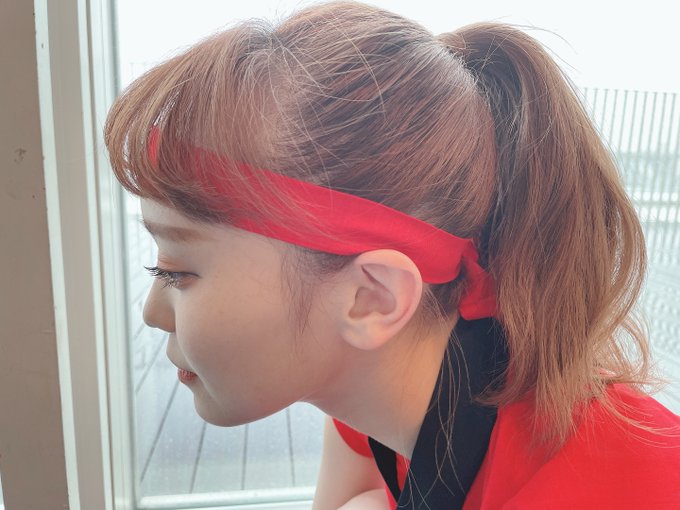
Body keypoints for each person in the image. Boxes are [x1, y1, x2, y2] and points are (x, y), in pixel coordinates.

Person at [104, 1, 680, 508]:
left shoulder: (627, 489)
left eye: (176, 271)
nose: (151, 311)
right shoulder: (378, 391)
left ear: (372, 297)